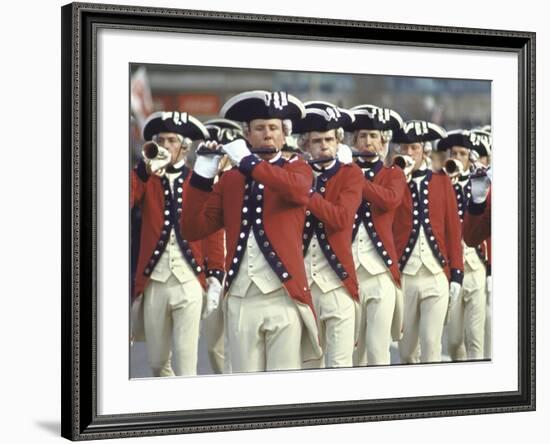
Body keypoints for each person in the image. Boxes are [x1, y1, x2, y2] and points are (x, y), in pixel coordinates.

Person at [181, 90, 322, 373]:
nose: (268, 135)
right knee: (245, 387)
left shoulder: (298, 169)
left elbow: (296, 191)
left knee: (284, 386)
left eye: (274, 128)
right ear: (247, 134)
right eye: (259, 128)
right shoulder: (232, 179)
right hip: (242, 297)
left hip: (284, 295)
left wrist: (248, 163)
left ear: (285, 135)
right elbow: (193, 228)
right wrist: (202, 175)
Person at [130, 111, 224, 376]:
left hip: (190, 281)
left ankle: (186, 410)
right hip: (154, 281)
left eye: (171, 140)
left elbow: (213, 231)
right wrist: (143, 170)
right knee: (158, 363)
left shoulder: (200, 180)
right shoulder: (146, 179)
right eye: (161, 140)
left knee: (186, 363)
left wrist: (216, 274)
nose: (164, 145)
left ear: (184, 147)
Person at [294, 103, 363, 368]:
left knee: (340, 365)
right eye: (316, 141)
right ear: (305, 145)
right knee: (308, 366)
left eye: (329, 139)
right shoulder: (295, 175)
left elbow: (340, 218)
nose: (324, 145)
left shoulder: (350, 174)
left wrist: (307, 194)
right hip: (302, 287)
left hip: (338, 286)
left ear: (338, 142)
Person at [392, 120, 464, 364]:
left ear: (424, 150)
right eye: (403, 148)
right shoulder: (393, 183)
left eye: (413, 148)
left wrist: (456, 274)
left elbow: (453, 230)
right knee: (407, 352)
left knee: (432, 346)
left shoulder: (442, 181)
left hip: (436, 275)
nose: (409, 153)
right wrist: (397, 179)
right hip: (406, 276)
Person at [344, 104, 406, 366]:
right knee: (351, 352)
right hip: (346, 270)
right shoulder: (343, 173)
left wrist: (355, 178)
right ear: (354, 141)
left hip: (380, 272)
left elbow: (389, 200)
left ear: (383, 142)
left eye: (373, 136)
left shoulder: (393, 173)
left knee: (378, 349)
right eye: (362, 136)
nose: (367, 142)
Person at [437, 130, 491, 360]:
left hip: (476, 263)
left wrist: (491, 269)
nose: (457, 158)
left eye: (462, 153)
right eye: (454, 153)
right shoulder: (442, 182)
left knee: (474, 337)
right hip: (452, 267)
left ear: (470, 156)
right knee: (453, 341)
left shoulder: (478, 180)